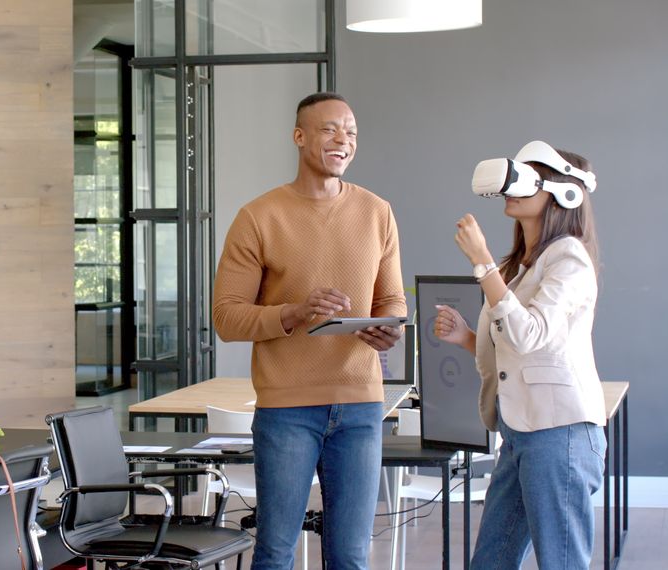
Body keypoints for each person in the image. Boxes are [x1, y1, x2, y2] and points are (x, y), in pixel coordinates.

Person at [213, 92, 406, 569]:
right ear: (299, 137)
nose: (344, 139)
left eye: (352, 132)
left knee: (351, 554)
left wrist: (388, 328)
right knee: (276, 550)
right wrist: (294, 313)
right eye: (330, 129)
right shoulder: (258, 217)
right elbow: (227, 317)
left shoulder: (377, 212)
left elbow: (392, 301)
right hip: (287, 408)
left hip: (361, 405)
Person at [434, 141, 606, 569]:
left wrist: (482, 262)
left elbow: (530, 335)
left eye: (527, 179)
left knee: (562, 563)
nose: (512, 188)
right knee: (490, 561)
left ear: (563, 193)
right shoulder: (522, 265)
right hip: (519, 432)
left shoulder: (570, 259)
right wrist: (468, 338)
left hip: (560, 433)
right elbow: (516, 351)